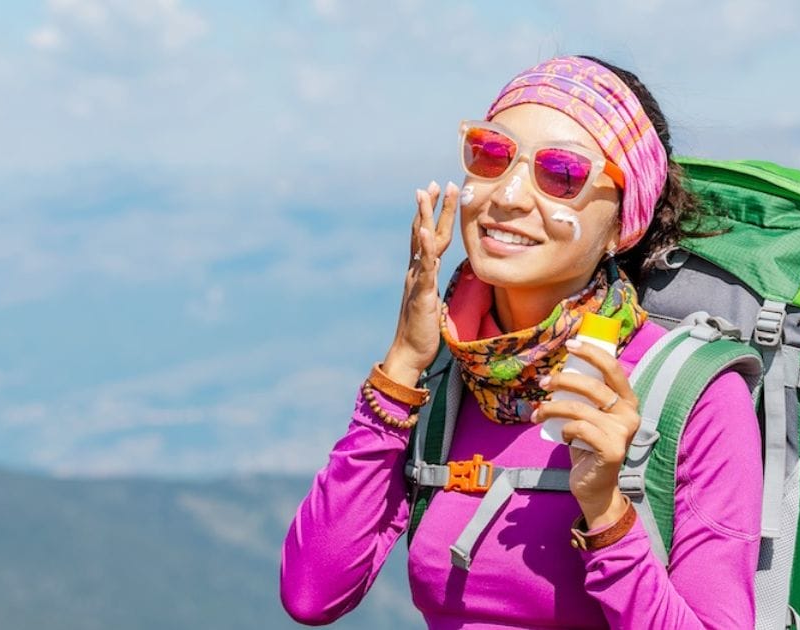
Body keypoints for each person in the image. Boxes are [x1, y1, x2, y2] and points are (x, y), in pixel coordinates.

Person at [280, 55, 763, 629]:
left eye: (562, 174)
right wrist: (403, 364)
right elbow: (312, 592)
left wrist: (607, 513)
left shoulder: (696, 398)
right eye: (492, 154)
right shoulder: (442, 379)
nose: (507, 195)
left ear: (622, 223)